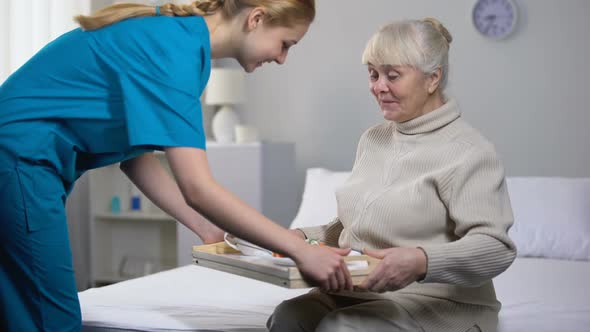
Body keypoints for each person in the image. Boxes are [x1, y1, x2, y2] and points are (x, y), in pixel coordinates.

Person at [0, 1, 354, 331]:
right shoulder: (175, 52)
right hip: (18, 162)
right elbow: (198, 188)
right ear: (256, 19)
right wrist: (300, 249)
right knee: (52, 318)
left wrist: (210, 232)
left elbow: (136, 160)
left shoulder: (177, 42)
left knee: (19, 308)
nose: (282, 58)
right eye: (285, 44)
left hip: (20, 164)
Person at [267, 17, 517, 332]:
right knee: (287, 318)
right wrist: (303, 239)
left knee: (340, 327)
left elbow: (495, 247)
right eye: (373, 74)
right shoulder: (373, 139)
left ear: (432, 79)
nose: (378, 86)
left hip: (436, 305)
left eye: (392, 75)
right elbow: (355, 226)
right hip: (357, 291)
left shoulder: (469, 151)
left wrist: (421, 261)